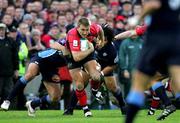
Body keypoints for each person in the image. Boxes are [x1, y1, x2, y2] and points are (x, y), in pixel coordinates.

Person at [125, 0, 180, 123]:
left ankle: (128, 120)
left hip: (157, 41)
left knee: (139, 82)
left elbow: (153, 5)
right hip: (175, 41)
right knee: (176, 82)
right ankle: (168, 104)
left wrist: (137, 19)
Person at [62, 23, 127, 115]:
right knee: (81, 84)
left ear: (108, 39)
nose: (99, 41)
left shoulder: (111, 49)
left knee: (113, 87)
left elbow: (113, 65)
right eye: (99, 38)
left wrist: (102, 73)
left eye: (103, 40)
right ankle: (70, 109)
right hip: (90, 64)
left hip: (105, 67)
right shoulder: (89, 40)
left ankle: (123, 105)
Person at [50, 17, 105, 117]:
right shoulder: (72, 34)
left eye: (87, 30)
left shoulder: (93, 28)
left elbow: (100, 29)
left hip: (87, 54)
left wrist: (101, 40)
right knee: (79, 85)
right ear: (77, 28)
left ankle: (95, 91)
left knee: (96, 77)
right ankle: (86, 109)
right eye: (82, 30)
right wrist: (91, 49)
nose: (85, 32)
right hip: (73, 57)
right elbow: (76, 57)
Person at [0, 48, 68, 117]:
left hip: (51, 68)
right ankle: (7, 101)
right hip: (41, 58)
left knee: (55, 98)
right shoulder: (71, 43)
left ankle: (32, 104)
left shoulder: (76, 57)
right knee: (30, 75)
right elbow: (56, 45)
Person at [0, 23, 19, 105]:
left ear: (5, 30)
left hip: (9, 72)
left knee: (8, 92)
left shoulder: (11, 41)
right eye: (0, 29)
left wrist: (16, 69)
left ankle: (8, 108)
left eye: (2, 29)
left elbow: (15, 57)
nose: (1, 31)